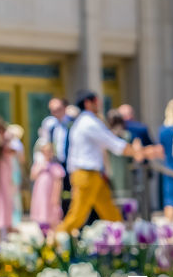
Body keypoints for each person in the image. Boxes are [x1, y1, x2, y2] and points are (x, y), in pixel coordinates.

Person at [57, 90, 140, 233]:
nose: (99, 104)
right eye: (96, 101)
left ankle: (122, 244)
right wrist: (138, 152)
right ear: (88, 103)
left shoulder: (84, 121)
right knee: (77, 216)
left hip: (92, 175)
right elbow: (113, 144)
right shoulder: (89, 122)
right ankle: (52, 245)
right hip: (86, 175)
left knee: (110, 212)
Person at [29, 141, 65, 231]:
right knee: (41, 212)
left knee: (52, 214)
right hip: (40, 193)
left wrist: (56, 197)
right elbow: (32, 176)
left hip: (51, 193)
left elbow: (58, 182)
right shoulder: (39, 164)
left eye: (49, 151)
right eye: (45, 151)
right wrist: (41, 167)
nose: (47, 153)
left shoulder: (56, 165)